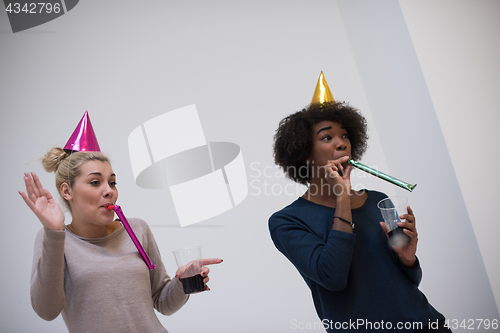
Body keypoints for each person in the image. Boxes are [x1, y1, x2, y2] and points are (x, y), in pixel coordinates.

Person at [269, 101, 451, 332]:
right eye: (327, 138)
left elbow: (409, 282)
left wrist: (408, 259)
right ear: (304, 154)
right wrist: (342, 198)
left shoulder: (378, 200)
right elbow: (333, 278)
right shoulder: (287, 221)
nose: (341, 143)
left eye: (345, 135)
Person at [20, 147, 222, 333]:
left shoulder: (137, 229)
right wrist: (54, 232)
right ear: (67, 191)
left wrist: (182, 282)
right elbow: (47, 311)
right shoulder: (55, 240)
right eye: (95, 182)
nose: (109, 191)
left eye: (112, 182)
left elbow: (162, 302)